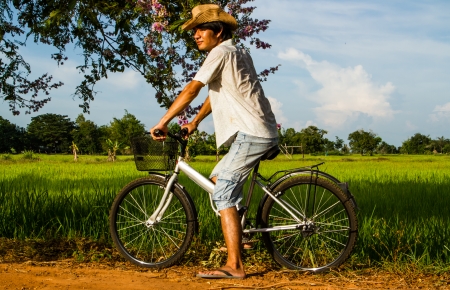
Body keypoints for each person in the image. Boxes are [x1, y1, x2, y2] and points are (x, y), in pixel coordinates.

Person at [150, 4, 278, 280]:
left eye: (200, 29)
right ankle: (240, 235)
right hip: (259, 130)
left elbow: (192, 89)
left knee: (222, 194)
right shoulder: (236, 51)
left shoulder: (219, 52)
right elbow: (216, 93)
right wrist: (194, 122)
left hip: (252, 132)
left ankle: (235, 265)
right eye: (193, 30)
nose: (195, 35)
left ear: (218, 31)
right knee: (220, 178)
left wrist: (164, 121)